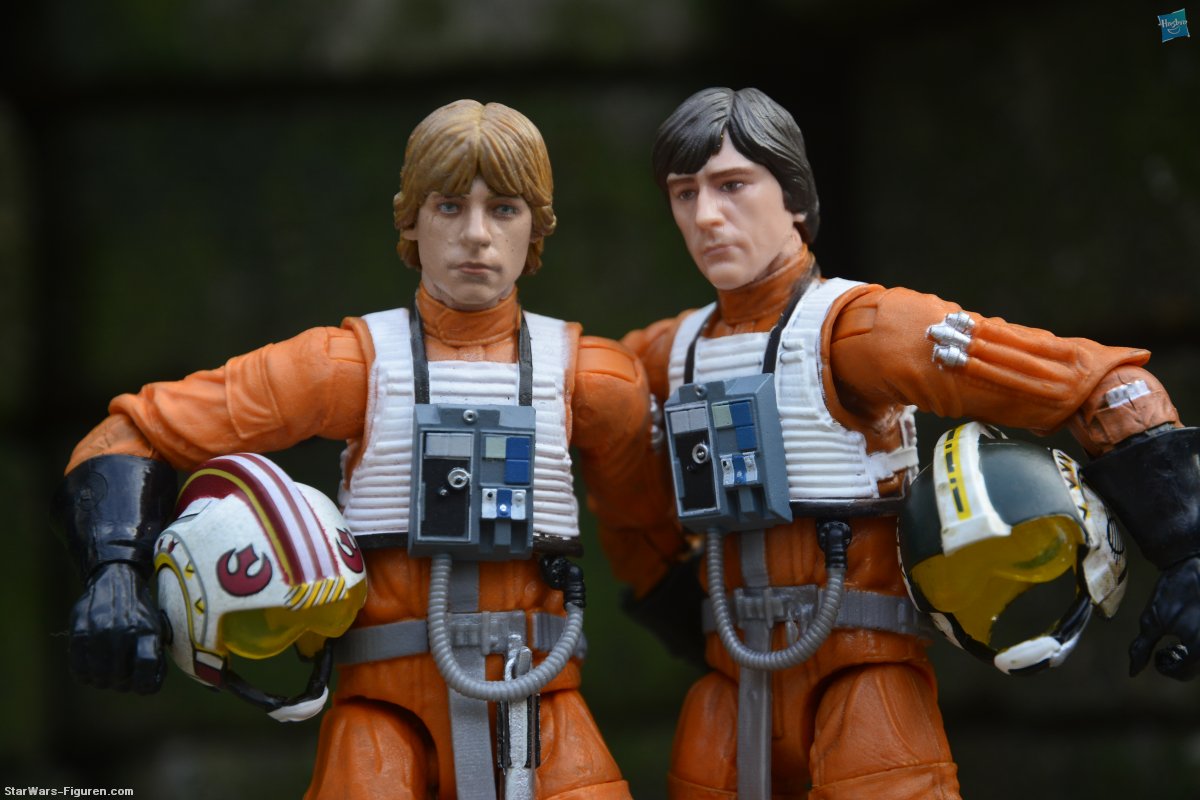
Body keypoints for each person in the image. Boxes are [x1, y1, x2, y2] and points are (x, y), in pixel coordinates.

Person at [55, 99, 670, 800]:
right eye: (449, 206)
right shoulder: (347, 367)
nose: (476, 235)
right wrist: (115, 572)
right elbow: (131, 433)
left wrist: (695, 603)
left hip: (540, 701)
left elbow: (643, 529)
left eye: (503, 208)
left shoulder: (596, 382)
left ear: (537, 226)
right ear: (410, 219)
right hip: (381, 711)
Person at [605, 86, 1200, 800]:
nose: (706, 215)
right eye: (684, 193)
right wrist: (660, 582)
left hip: (861, 666)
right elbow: (584, 426)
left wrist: (1184, 542)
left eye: (732, 185)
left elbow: (1095, 382)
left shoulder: (862, 331)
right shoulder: (668, 354)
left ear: (791, 195)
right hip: (730, 676)